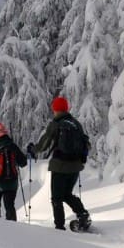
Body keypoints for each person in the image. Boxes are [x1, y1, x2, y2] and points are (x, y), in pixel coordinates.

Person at [28, 96, 91, 231]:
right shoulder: (76, 124)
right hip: (75, 166)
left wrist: (33, 149)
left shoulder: (56, 124)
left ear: (56, 110)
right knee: (67, 194)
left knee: (57, 198)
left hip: (60, 166)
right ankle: (83, 214)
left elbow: (44, 144)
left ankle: (59, 228)